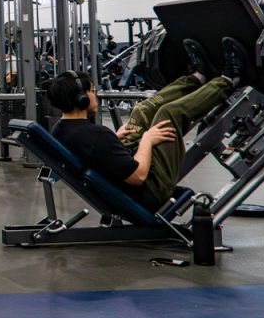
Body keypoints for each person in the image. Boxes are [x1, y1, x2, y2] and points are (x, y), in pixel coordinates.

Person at [47, 37, 249, 211]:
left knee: (141, 109)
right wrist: (146, 140)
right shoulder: (96, 136)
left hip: (124, 181)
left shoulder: (61, 131)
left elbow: (92, 152)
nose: (95, 95)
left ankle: (197, 78)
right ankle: (229, 80)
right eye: (91, 91)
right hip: (150, 191)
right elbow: (138, 176)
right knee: (169, 113)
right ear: (82, 99)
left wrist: (114, 140)